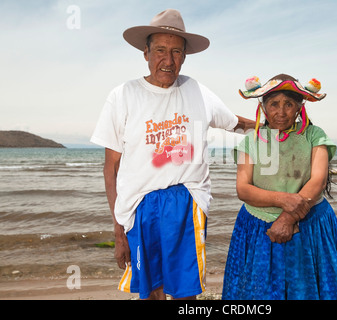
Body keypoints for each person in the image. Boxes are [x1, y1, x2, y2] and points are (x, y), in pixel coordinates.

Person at [90, 9, 254, 300]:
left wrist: (272, 127)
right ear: (146, 53)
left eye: (176, 52)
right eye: (161, 51)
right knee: (152, 290)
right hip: (139, 205)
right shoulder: (123, 96)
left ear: (185, 56)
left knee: (185, 291)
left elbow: (234, 122)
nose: (168, 61)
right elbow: (110, 169)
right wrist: (118, 231)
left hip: (187, 201)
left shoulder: (196, 91)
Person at [222, 74, 337, 300]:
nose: (281, 112)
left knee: (306, 287)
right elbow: (243, 189)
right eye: (274, 104)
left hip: (309, 225)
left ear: (299, 108)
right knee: (259, 292)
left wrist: (287, 218)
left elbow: (318, 181)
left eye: (289, 104)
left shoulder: (314, 135)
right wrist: (284, 200)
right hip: (258, 226)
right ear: (263, 108)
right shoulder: (250, 141)